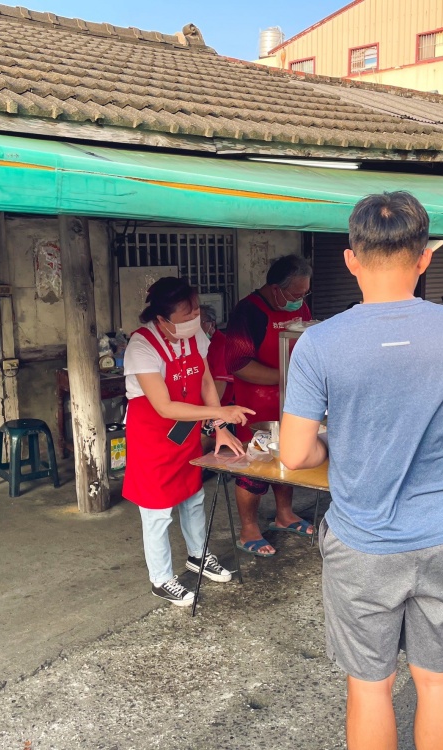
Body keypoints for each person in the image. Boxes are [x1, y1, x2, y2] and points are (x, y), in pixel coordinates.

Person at [279, 192, 443, 750]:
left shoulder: (319, 343)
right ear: (424, 258)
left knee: (369, 688)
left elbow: (294, 452)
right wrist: (429, 437)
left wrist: (345, 446)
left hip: (362, 543)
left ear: (351, 260)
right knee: (437, 683)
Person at [123, 277, 255, 607]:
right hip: (152, 437)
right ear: (162, 318)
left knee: (193, 497)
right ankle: (161, 578)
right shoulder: (141, 347)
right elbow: (164, 406)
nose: (196, 316)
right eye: (187, 313)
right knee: (157, 511)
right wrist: (218, 411)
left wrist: (220, 425)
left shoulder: (194, 334)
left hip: (185, 433)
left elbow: (205, 378)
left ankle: (198, 556)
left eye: (195, 308)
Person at [224, 255, 314, 556]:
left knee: (287, 455)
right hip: (255, 404)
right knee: (255, 464)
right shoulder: (247, 312)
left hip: (291, 399)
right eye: (295, 294)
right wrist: (284, 377)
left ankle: (284, 514)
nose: (300, 301)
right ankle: (248, 528)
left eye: (304, 294)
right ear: (276, 288)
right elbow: (238, 364)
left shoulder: (298, 303)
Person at [200, 305, 234, 406]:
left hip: (221, 405)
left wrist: (211, 410)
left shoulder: (220, 344)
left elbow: (220, 381)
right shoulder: (199, 343)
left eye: (200, 322)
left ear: (212, 324)